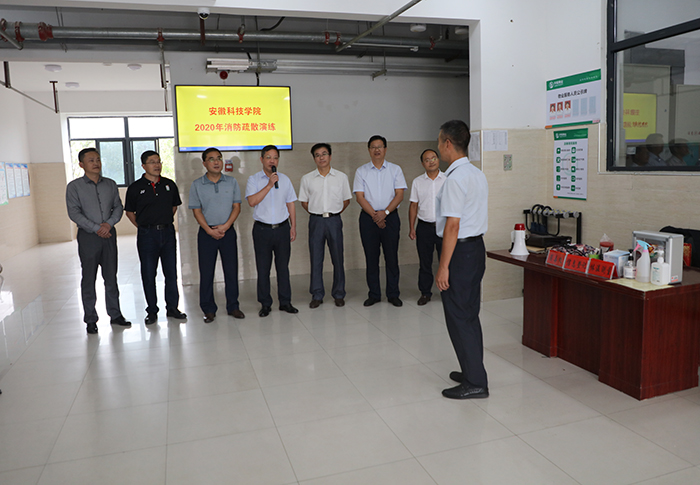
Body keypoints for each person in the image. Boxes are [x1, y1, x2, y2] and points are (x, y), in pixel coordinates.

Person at [435, 120, 489, 400]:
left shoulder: (455, 179)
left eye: (439, 141)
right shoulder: (476, 173)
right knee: (468, 314)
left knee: (459, 317)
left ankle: (476, 382)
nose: (438, 147)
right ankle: (472, 370)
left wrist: (443, 266)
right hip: (475, 249)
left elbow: (452, 226)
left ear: (447, 143)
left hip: (460, 253)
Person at [66, 147, 131, 334]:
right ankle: (90, 319)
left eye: (98, 159)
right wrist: (97, 228)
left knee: (111, 277)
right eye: (91, 160)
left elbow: (118, 207)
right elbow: (74, 213)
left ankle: (115, 314)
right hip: (88, 238)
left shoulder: (110, 184)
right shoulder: (74, 187)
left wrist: (108, 225)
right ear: (81, 164)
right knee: (89, 278)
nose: (96, 163)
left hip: (109, 236)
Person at [124, 150, 187, 325]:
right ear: (143, 166)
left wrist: (162, 221)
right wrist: (143, 226)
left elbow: (174, 206)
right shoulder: (135, 187)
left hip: (167, 233)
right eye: (152, 162)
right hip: (147, 235)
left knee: (171, 273)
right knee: (148, 273)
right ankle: (152, 311)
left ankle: (172, 308)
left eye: (158, 161)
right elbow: (129, 212)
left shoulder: (169, 184)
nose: (157, 165)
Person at [189, 147, 245, 323]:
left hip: (228, 232)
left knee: (231, 270)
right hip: (206, 233)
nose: (216, 162)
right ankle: (208, 309)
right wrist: (209, 230)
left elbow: (236, 207)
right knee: (207, 272)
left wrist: (226, 226)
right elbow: (197, 211)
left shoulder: (231, 182)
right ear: (204, 163)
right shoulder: (197, 184)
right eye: (212, 159)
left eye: (219, 158)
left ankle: (233, 306)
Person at [353, 135, 407, 307]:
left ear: (385, 149)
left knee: (391, 257)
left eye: (380, 146)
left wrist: (385, 213)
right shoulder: (361, 171)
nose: (377, 150)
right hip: (368, 219)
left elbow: (400, 195)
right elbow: (360, 197)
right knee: (371, 258)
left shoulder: (395, 169)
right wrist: (376, 216)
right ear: (369, 150)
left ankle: (393, 294)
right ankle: (374, 294)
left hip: (390, 218)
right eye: (373, 147)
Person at [246, 145, 299, 317]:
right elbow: (252, 201)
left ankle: (285, 302)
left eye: (275, 157)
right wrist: (269, 185)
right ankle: (265, 304)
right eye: (268, 157)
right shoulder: (254, 179)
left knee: (283, 267)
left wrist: (293, 226)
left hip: (282, 229)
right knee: (263, 269)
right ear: (262, 159)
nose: (272, 161)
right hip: (262, 230)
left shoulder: (285, 179)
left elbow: (291, 203)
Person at [298, 143, 352, 308]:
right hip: (316, 221)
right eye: (317, 155)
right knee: (316, 258)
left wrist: (333, 212)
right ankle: (317, 294)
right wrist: (317, 212)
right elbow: (304, 202)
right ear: (314, 158)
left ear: (330, 156)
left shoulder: (341, 177)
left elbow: (346, 200)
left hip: (334, 220)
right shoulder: (307, 178)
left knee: (338, 258)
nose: (321, 157)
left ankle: (339, 293)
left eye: (324, 154)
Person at [408, 149, 445, 305]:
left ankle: (447, 292)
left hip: (444, 227)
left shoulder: (448, 179)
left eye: (433, 158)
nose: (431, 162)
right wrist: (412, 227)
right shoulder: (417, 182)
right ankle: (425, 293)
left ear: (438, 160)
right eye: (427, 160)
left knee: (445, 262)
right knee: (425, 262)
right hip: (424, 227)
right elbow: (413, 206)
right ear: (423, 163)